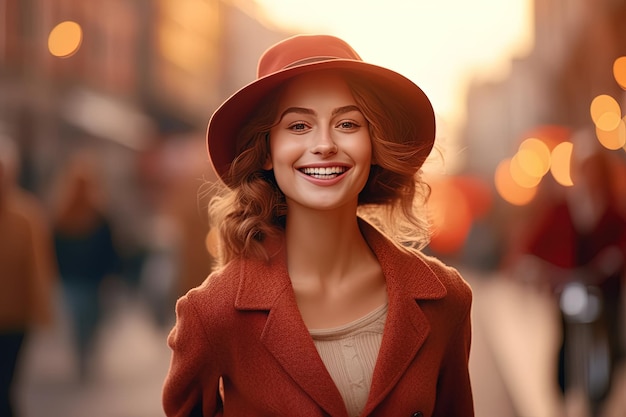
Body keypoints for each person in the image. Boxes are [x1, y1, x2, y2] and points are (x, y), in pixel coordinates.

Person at [162, 34, 474, 417]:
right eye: (298, 126)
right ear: (265, 151)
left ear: (373, 144)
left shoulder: (446, 299)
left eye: (347, 123)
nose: (324, 144)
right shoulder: (211, 313)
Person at [50, 150, 121, 381]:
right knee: (79, 319)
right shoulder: (62, 214)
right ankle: (82, 355)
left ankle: (87, 352)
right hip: (73, 279)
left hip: (93, 279)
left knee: (91, 320)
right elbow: (53, 247)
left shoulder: (99, 215)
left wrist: (111, 274)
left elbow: (110, 247)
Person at [0, 134, 57, 417]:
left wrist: (42, 311)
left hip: (14, 320)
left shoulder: (26, 216)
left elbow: (38, 268)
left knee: (5, 384)